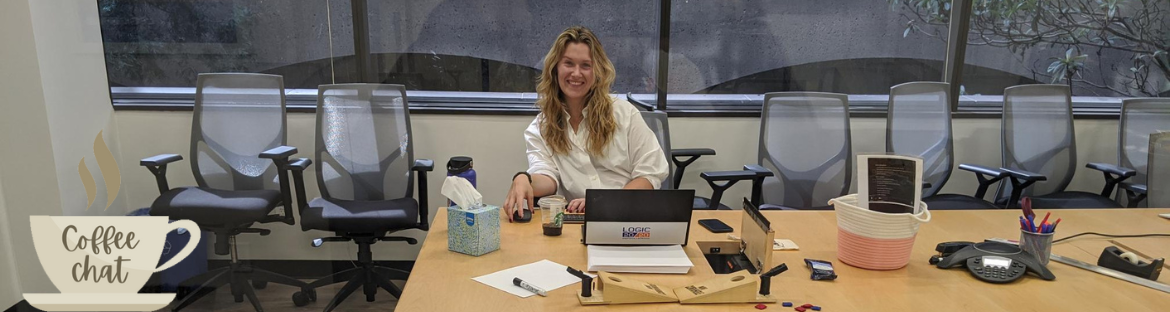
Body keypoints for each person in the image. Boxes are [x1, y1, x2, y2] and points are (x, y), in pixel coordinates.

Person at [503, 26, 668, 222]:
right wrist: (524, 179)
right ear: (555, 68)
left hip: (628, 218)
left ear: (597, 71)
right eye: (568, 63)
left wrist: (602, 203)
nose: (576, 73)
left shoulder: (625, 114)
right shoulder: (541, 127)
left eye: (585, 66)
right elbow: (547, 177)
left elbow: (650, 174)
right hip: (577, 223)